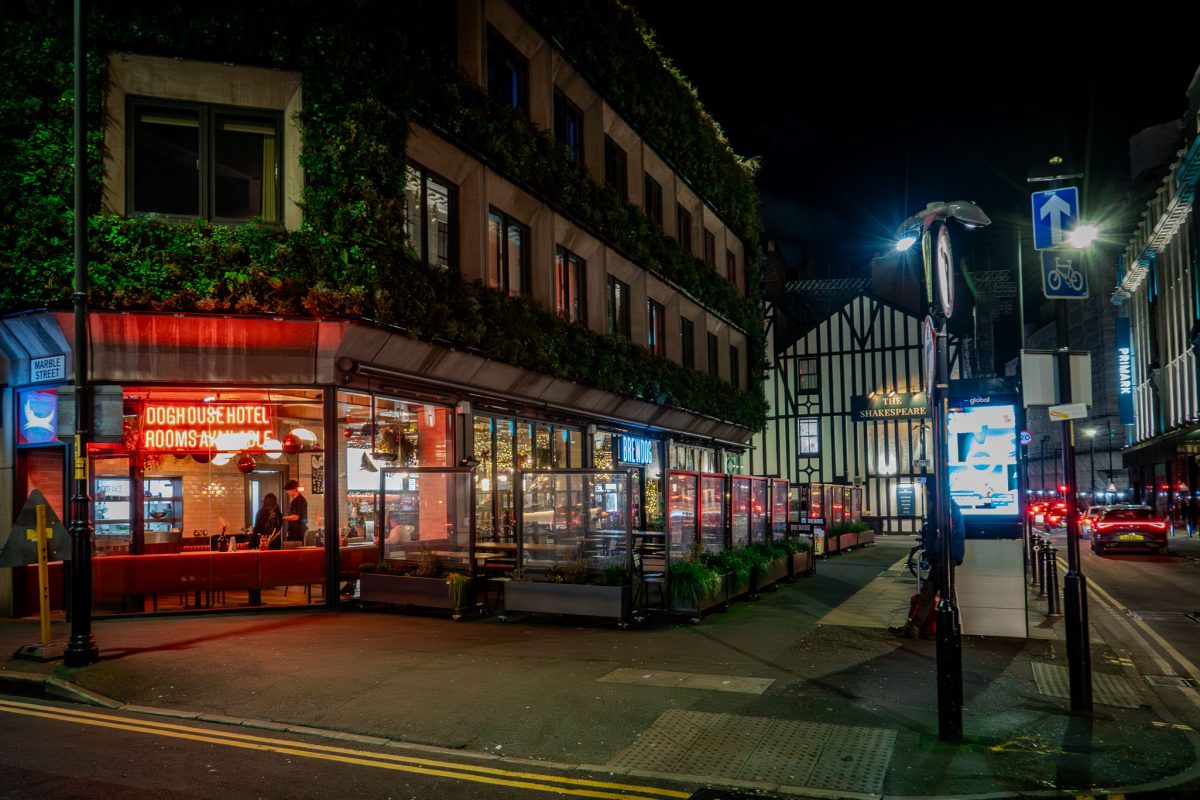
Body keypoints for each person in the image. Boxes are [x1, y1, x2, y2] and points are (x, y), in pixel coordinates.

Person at [890, 499, 965, 639]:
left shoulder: (943, 507)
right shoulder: (948, 506)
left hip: (944, 556)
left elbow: (940, 532)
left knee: (941, 592)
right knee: (930, 591)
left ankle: (949, 627)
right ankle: (916, 627)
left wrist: (933, 554)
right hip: (946, 555)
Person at [282, 479, 308, 547]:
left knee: (295, 551)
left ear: (293, 489)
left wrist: (283, 517)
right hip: (293, 530)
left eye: (288, 490)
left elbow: (296, 517)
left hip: (298, 531)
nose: (287, 492)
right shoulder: (294, 500)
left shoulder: (300, 500)